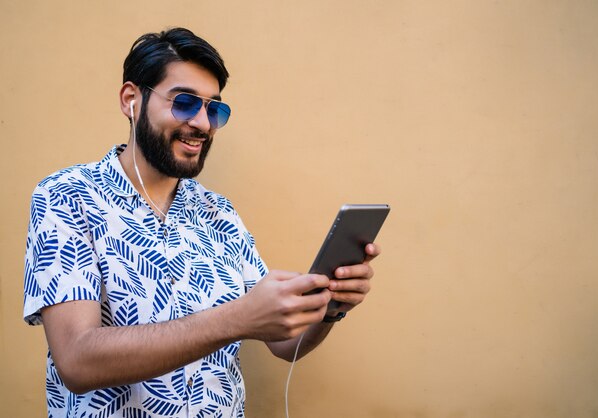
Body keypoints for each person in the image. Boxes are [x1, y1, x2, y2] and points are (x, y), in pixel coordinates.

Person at [23, 27, 380, 417]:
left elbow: (283, 345)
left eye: (214, 108)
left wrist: (330, 307)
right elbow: (76, 360)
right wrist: (234, 320)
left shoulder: (220, 213)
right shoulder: (67, 195)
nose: (203, 124)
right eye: (185, 103)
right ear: (131, 100)